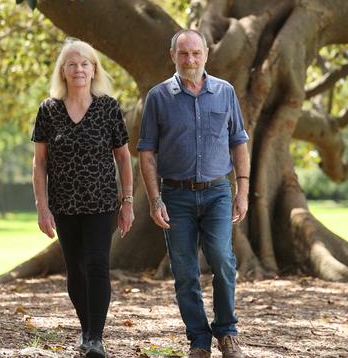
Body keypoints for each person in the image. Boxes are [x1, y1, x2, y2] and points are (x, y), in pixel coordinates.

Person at [138, 29, 250, 358]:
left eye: (196, 53)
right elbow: (146, 152)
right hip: (176, 196)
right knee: (185, 271)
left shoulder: (225, 92)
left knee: (222, 260)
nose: (190, 60)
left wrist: (242, 190)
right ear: (172, 55)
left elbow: (239, 142)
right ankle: (199, 340)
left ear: (206, 54)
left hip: (217, 192)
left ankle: (227, 333)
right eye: (183, 53)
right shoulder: (158, 97)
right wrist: (155, 199)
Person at [31, 38, 134, 358]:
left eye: (84, 64)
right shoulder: (48, 110)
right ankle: (86, 329)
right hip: (63, 205)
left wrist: (127, 201)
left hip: (102, 203)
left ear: (94, 70)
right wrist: (42, 207)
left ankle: (95, 337)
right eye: (72, 64)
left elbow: (124, 157)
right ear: (63, 71)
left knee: (97, 264)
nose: (79, 69)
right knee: (75, 269)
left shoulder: (108, 108)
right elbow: (40, 163)